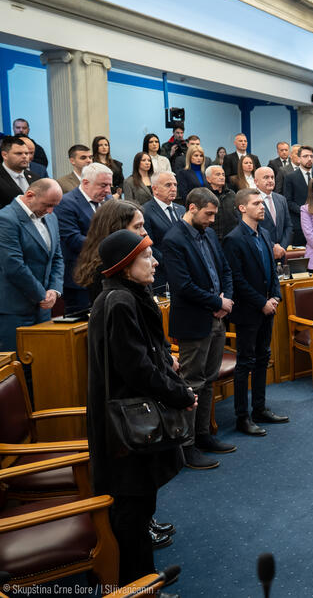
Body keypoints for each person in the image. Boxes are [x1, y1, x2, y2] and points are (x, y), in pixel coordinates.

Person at [86, 229, 196, 586]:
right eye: (147, 257)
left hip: (128, 420)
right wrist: (180, 395)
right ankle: (137, 587)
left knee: (138, 506)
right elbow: (138, 369)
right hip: (125, 426)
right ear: (125, 266)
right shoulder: (120, 302)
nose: (155, 262)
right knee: (132, 511)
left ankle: (141, 581)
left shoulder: (125, 296)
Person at [162, 188, 236, 466]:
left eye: (215, 214)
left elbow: (225, 270)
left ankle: (203, 435)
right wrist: (217, 302)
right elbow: (183, 286)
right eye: (208, 214)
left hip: (217, 317)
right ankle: (187, 445)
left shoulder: (208, 234)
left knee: (209, 380)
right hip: (194, 321)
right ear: (192, 208)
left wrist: (225, 301)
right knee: (192, 383)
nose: (212, 220)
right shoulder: (173, 239)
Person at [224, 188, 288, 437]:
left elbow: (272, 270)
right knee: (245, 362)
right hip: (248, 310)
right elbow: (237, 279)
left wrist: (275, 296)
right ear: (242, 208)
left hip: (267, 308)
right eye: (256, 203)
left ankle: (259, 409)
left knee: (263, 357)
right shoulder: (233, 239)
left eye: (262, 203)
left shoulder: (265, 233)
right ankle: (242, 417)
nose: (262, 207)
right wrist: (262, 302)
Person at [0, 179, 63, 352]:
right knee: (16, 364)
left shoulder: (51, 218)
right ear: (30, 195)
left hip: (43, 308)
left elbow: (57, 257)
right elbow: (14, 266)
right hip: (14, 310)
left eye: (54, 206)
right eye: (47, 205)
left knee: (43, 360)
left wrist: (54, 290)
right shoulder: (6, 219)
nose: (50, 211)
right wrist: (42, 295)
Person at [55, 162, 114, 313]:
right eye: (103, 185)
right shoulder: (66, 203)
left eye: (110, 185)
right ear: (86, 183)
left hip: (107, 276)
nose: (108, 191)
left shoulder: (109, 201)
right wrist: (112, 247)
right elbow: (73, 239)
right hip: (81, 279)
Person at [74, 199, 147, 305]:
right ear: (117, 230)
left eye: (143, 225)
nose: (144, 232)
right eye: (137, 227)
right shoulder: (105, 270)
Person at [142, 171, 185, 297]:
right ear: (155, 189)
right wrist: (171, 262)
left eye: (175, 185)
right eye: (168, 185)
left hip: (184, 272)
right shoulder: (145, 211)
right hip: (161, 273)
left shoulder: (181, 209)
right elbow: (148, 244)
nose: (173, 189)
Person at [282, 144, 313, 246]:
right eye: (305, 156)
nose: (309, 159)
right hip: (299, 223)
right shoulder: (290, 177)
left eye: (311, 156)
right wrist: (304, 211)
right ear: (299, 158)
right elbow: (288, 201)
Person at [255, 166, 291, 259]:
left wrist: (282, 247)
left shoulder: (281, 199)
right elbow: (252, 229)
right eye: (266, 177)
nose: (270, 180)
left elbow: (288, 226)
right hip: (261, 252)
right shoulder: (251, 200)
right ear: (256, 181)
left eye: (272, 177)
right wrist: (272, 247)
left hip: (281, 253)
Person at [1, 135, 39, 209]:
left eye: (26, 153)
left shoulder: (35, 178)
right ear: (4, 155)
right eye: (19, 153)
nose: (25, 156)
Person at [205, 165, 239, 239]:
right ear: (208, 179)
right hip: (211, 238)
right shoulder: (204, 195)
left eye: (223, 175)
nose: (222, 177)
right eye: (218, 174)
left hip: (232, 237)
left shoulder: (231, 194)